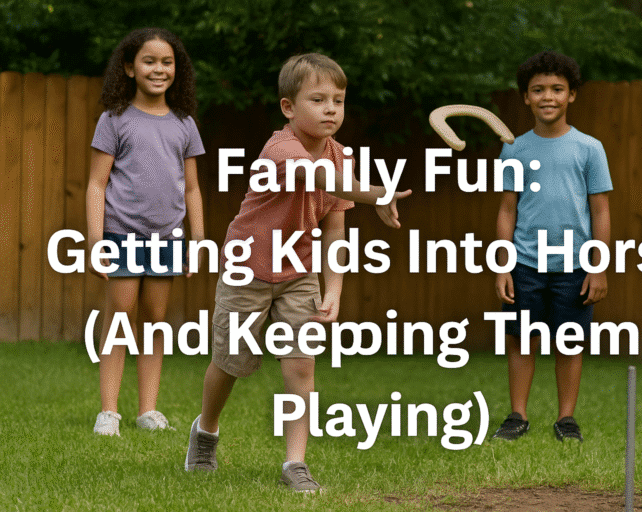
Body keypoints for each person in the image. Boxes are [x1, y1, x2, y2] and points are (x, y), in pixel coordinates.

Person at [184, 53, 410, 492]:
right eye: (318, 99)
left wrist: (334, 288)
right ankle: (206, 431)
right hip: (248, 268)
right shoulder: (280, 149)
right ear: (289, 108)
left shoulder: (341, 155)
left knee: (300, 365)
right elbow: (322, 181)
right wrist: (377, 193)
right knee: (230, 363)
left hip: (299, 271)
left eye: (338, 100)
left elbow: (335, 228)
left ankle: (295, 465)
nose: (331, 109)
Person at [86, 27, 205, 436]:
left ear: (178, 69)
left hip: (168, 239)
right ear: (129, 67)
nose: (159, 69)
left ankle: (148, 410)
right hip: (121, 235)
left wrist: (197, 243)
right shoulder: (114, 119)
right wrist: (96, 243)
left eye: (167, 62)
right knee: (120, 318)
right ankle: (108, 412)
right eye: (149, 61)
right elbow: (96, 185)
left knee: (155, 321)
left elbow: (191, 188)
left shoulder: (184, 123)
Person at [492, 51, 612, 443]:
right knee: (522, 338)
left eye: (557, 89)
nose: (548, 96)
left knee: (568, 341)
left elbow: (601, 211)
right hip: (524, 262)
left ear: (572, 95)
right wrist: (502, 264)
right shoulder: (514, 149)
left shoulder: (589, 149)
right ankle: (517, 416)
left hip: (574, 265)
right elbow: (507, 210)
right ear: (525, 97)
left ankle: (566, 420)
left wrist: (598, 266)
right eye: (538, 90)